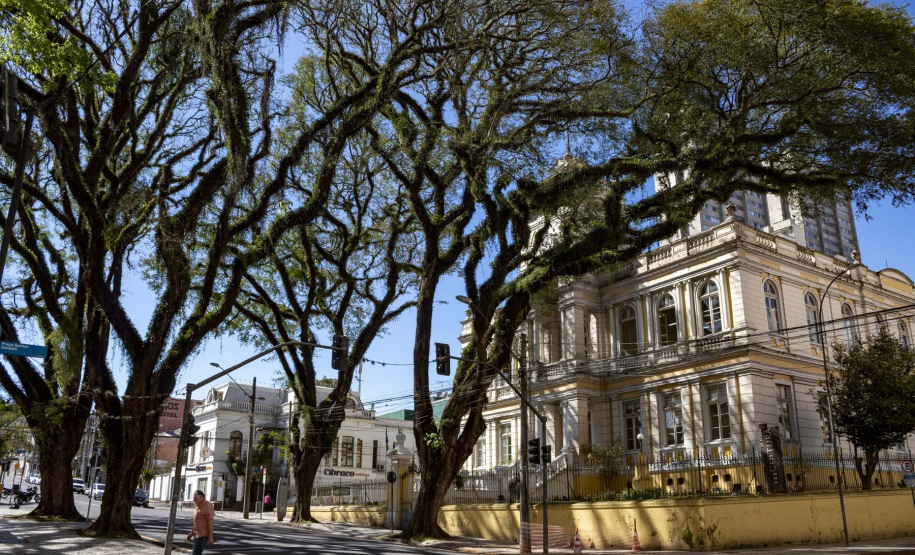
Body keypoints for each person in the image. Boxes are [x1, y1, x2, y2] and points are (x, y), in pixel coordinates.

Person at [186, 490, 214, 555]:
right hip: (197, 534)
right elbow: (196, 523)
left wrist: (210, 537)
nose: (193, 500)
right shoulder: (198, 506)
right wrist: (191, 534)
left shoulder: (208, 506)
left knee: (196, 553)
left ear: (201, 497)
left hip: (202, 535)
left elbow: (210, 522)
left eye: (195, 498)